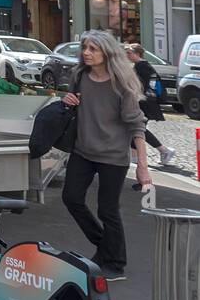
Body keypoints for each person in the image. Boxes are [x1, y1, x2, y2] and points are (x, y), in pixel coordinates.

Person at [60, 31, 152, 280]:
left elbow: (137, 125)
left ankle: (115, 263)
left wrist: (142, 167)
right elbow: (72, 106)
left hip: (113, 155)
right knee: (71, 198)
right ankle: (106, 247)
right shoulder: (79, 76)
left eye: (93, 49)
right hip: (83, 150)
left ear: (106, 53)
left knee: (108, 210)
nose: (87, 53)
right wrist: (67, 100)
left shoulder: (122, 84)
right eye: (85, 48)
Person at [125, 43, 177, 165]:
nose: (127, 55)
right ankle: (135, 156)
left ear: (137, 54)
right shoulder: (141, 65)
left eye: (129, 53)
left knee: (138, 128)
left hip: (144, 103)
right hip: (145, 102)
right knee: (136, 128)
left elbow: (143, 85)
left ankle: (163, 151)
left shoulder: (141, 66)